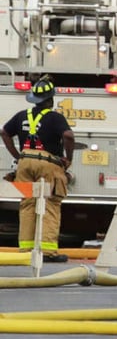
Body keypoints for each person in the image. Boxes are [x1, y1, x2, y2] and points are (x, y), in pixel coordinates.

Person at [0, 76, 73, 262]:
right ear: (51, 99)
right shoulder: (55, 118)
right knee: (50, 204)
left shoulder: (21, 115)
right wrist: (68, 159)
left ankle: (26, 250)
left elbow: (4, 132)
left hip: (25, 163)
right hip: (48, 164)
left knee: (27, 203)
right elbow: (68, 135)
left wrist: (17, 156)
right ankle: (47, 252)